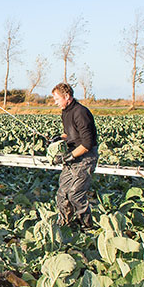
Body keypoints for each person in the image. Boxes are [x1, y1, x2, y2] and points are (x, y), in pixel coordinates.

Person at [50, 82, 98, 228]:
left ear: (67, 96)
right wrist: (59, 138)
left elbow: (87, 143)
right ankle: (64, 223)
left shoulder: (81, 112)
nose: (55, 102)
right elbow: (70, 134)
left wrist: (68, 157)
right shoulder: (66, 111)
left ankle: (87, 225)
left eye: (57, 99)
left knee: (75, 194)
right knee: (62, 193)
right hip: (72, 156)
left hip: (85, 158)